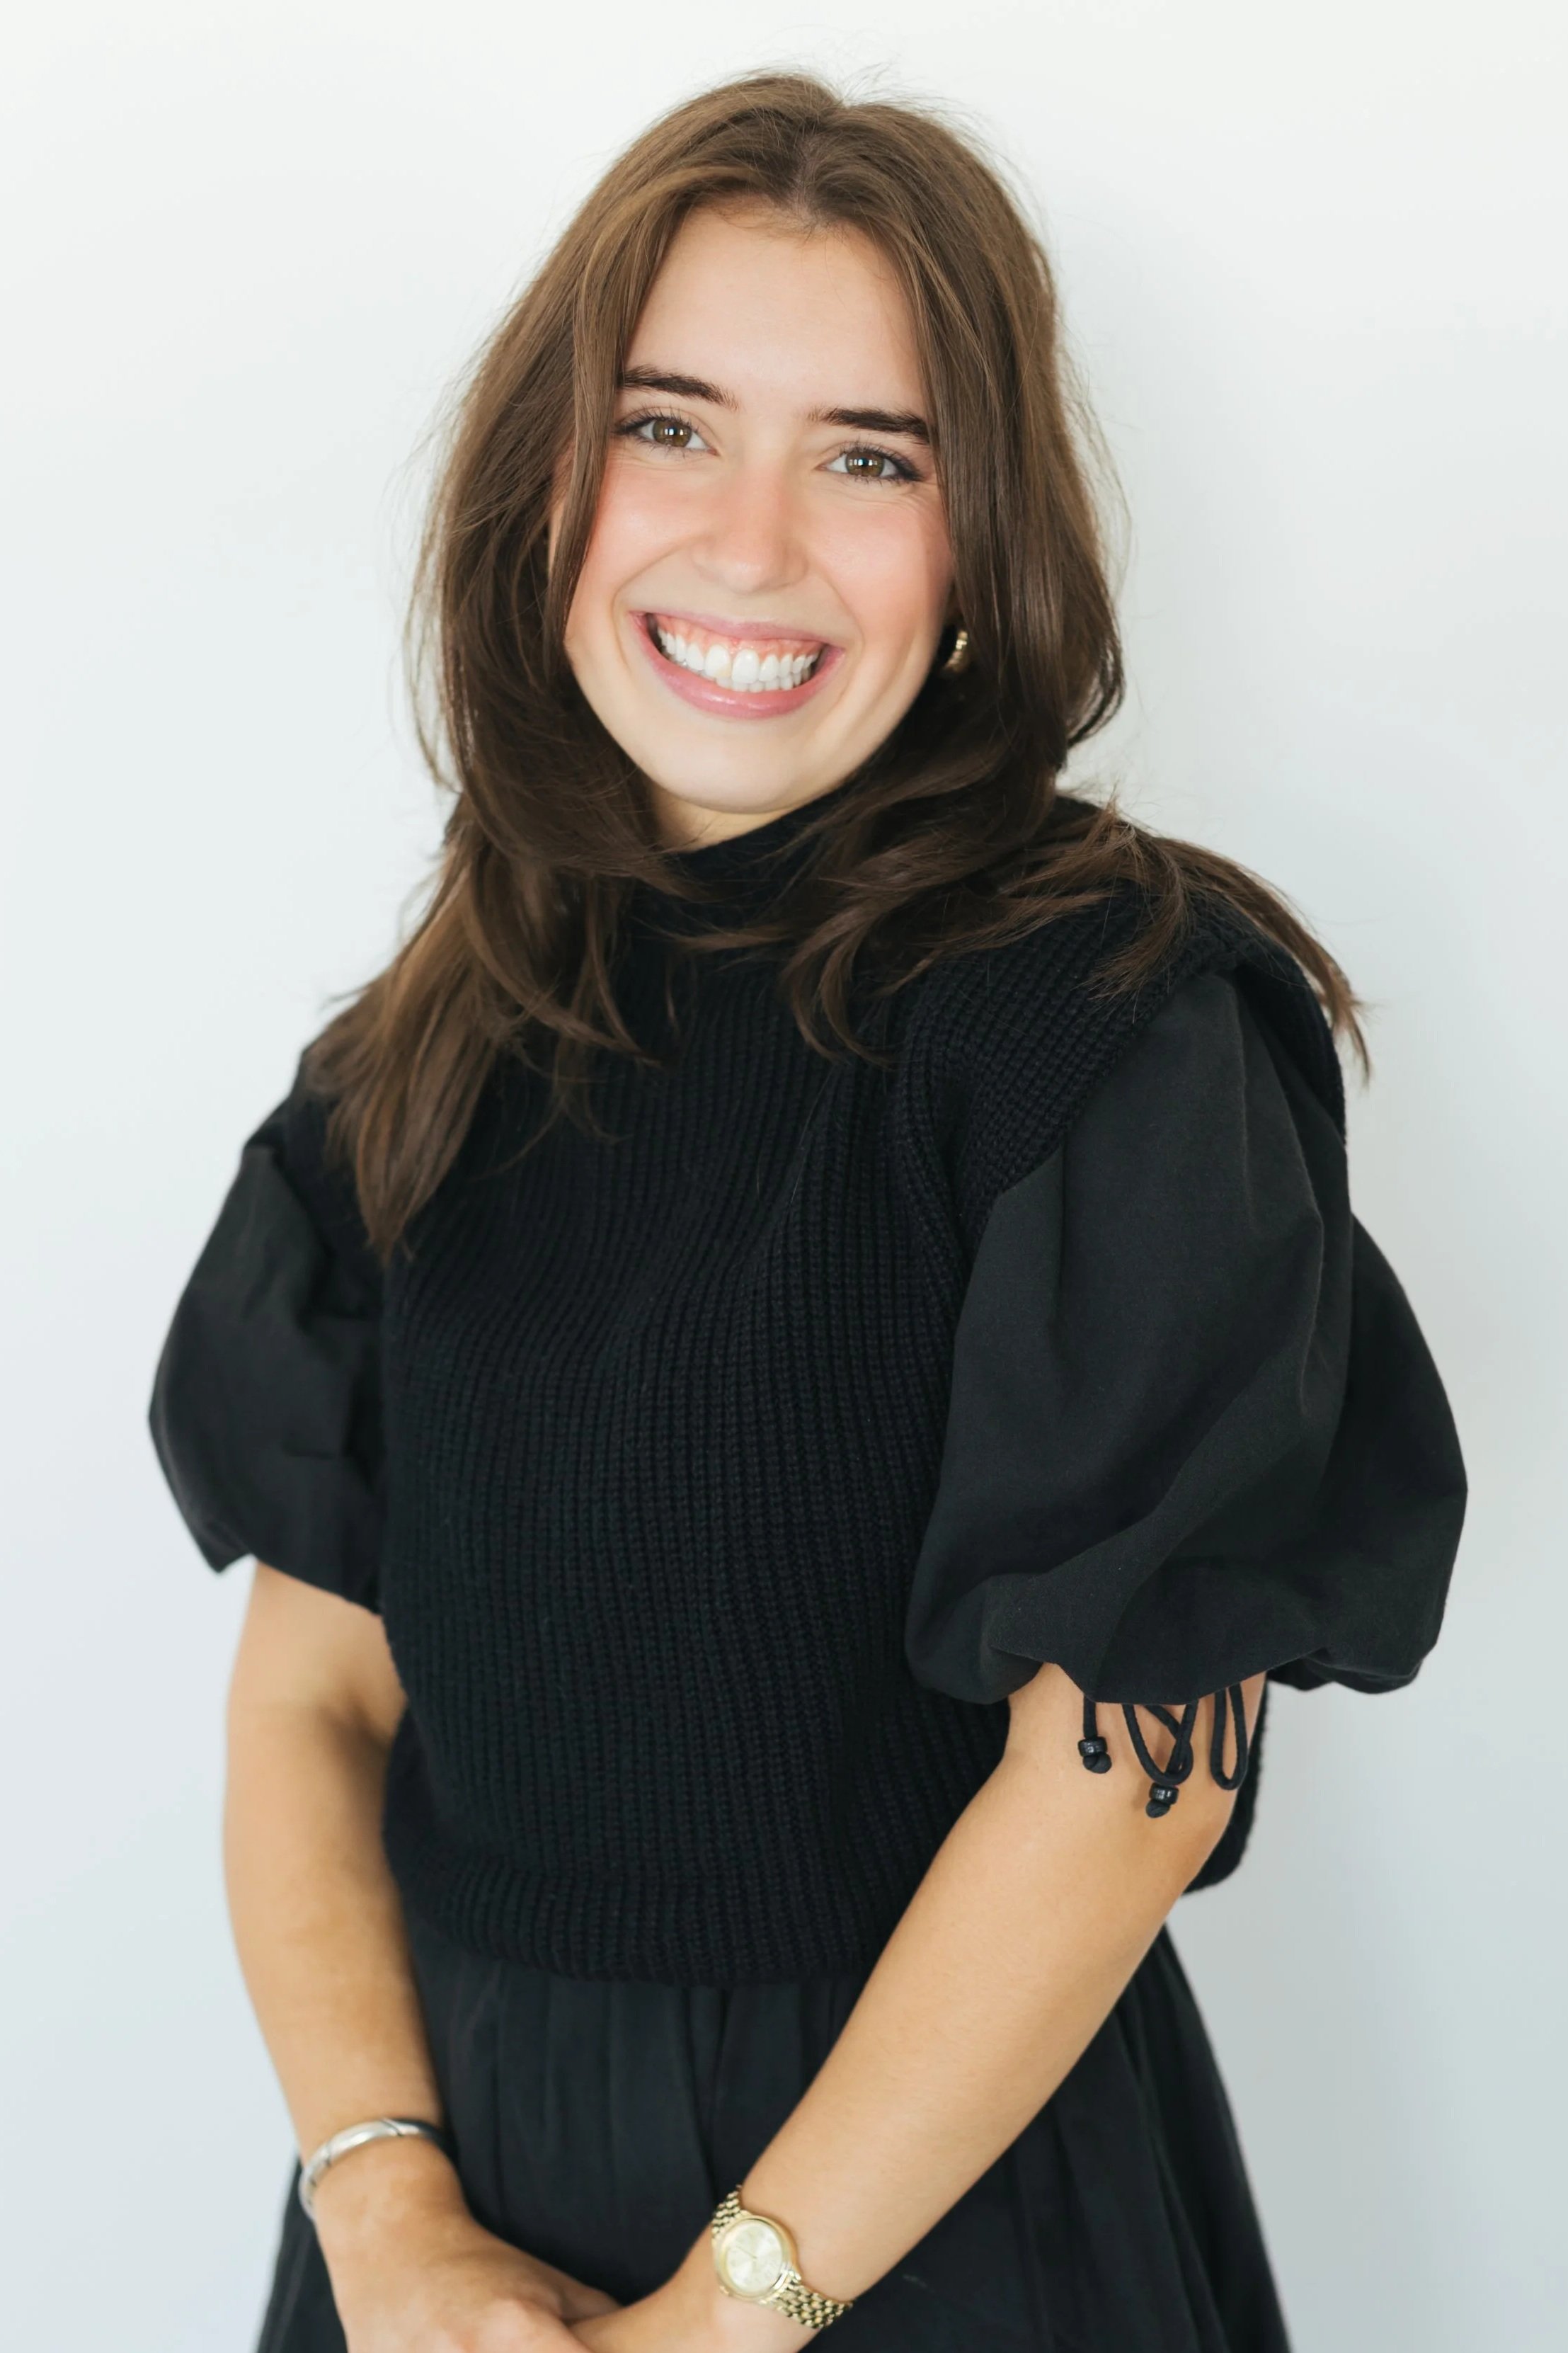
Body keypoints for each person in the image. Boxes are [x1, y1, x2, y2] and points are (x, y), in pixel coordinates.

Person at [149, 71, 1466, 2353]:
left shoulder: (1114, 1019)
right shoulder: (421, 1048)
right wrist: (385, 2213)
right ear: (545, 481)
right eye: (671, 426)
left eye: (873, 454)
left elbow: (1123, 1783)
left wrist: (727, 2312)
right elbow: (317, 1687)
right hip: (445, 2223)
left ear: (983, 547)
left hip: (924, 2218)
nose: (752, 541)